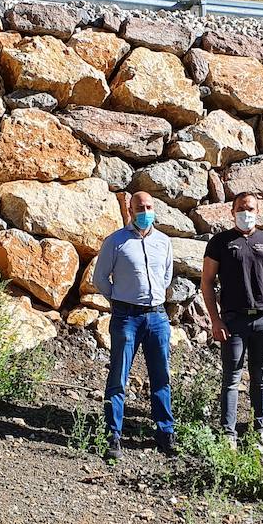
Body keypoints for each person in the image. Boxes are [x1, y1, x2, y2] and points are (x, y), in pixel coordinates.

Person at [201, 193, 263, 451]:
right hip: (233, 321)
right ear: (232, 211)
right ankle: (228, 434)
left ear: (258, 211)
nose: (245, 212)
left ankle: (258, 431)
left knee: (260, 378)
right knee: (231, 377)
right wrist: (215, 320)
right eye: (241, 208)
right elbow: (206, 281)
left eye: (250, 208)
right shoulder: (220, 242)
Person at [92, 190, 176, 461]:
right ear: (130, 211)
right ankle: (112, 435)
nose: (145, 211)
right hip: (126, 317)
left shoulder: (163, 242)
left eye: (149, 206)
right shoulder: (116, 241)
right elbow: (101, 278)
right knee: (118, 377)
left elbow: (166, 276)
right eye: (140, 207)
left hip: (157, 317)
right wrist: (119, 299)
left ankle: (165, 433)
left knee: (161, 376)